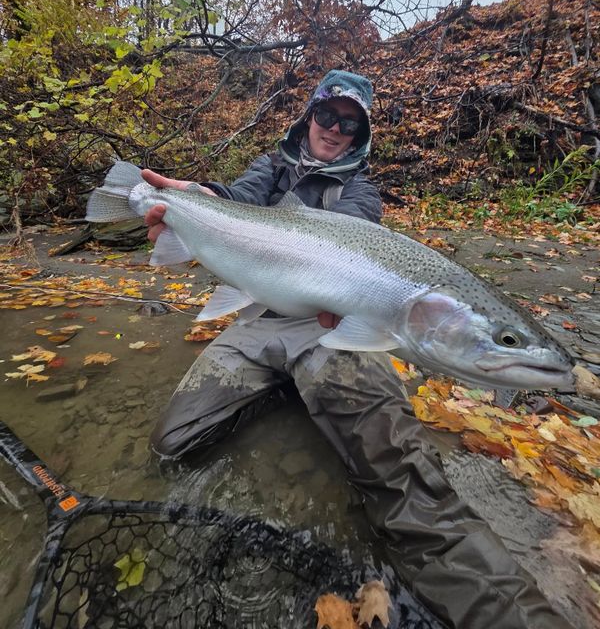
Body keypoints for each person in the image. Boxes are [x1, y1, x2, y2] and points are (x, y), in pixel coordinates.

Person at [142, 70, 572, 629]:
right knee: (172, 442)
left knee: (400, 475)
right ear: (309, 117)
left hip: (335, 330)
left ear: (360, 136)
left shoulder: (362, 192)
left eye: (351, 125)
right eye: (328, 116)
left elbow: (348, 237)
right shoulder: (269, 168)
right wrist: (192, 202)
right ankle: (290, 396)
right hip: (254, 323)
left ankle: (506, 613)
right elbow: (236, 199)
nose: (336, 129)